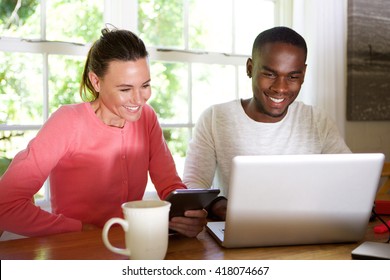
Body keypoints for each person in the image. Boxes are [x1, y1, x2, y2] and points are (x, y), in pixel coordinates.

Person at [0, 28, 206, 238]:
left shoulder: (147, 118)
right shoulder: (68, 122)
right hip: (75, 249)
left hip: (130, 246)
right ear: (96, 82)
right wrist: (81, 229)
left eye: (145, 85)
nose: (138, 99)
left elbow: (170, 186)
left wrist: (187, 215)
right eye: (125, 89)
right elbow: (4, 204)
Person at [183, 26, 351, 221]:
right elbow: (192, 187)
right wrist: (214, 204)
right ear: (249, 68)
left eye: (293, 76)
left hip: (306, 231)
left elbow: (348, 180)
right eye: (270, 74)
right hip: (240, 230)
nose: (280, 88)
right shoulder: (215, 118)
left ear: (303, 74)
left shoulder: (318, 121)